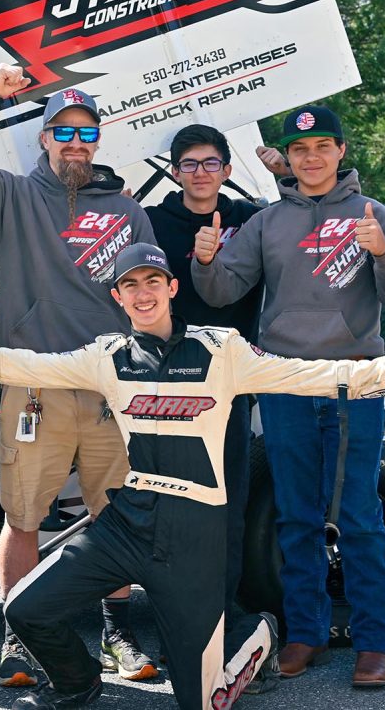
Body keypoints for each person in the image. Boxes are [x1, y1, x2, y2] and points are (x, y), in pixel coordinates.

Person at [0, 243, 385, 710]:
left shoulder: (223, 349)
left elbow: (307, 375)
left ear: (171, 287)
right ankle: (78, 689)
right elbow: (18, 362)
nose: (143, 293)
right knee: (25, 607)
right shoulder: (105, 356)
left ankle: (253, 634)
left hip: (194, 531)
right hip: (128, 519)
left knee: (196, 701)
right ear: (118, 297)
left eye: (152, 281)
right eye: (130, 286)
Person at [0, 63, 158, 685]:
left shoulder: (125, 211)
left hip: (110, 391)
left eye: (86, 134)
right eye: (63, 133)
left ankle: (118, 633)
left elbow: (150, 299)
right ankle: (20, 634)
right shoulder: (9, 197)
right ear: (43, 138)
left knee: (115, 516)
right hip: (34, 387)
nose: (75, 143)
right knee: (24, 517)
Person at [191, 104, 385, 688]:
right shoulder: (267, 221)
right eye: (300, 150)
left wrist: (383, 253)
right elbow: (221, 290)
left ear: (340, 151)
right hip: (283, 380)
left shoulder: (372, 213)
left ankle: (373, 643)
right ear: (286, 157)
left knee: (359, 514)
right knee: (296, 516)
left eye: (322, 147)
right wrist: (205, 260)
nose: (311, 158)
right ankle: (306, 633)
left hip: (352, 378)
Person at [143, 124, 263, 614]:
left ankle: (225, 613)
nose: (200, 173)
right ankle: (175, 616)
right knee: (172, 506)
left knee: (228, 505)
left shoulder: (250, 219)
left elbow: (306, 218)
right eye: (189, 164)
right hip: (166, 380)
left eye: (210, 163)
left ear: (227, 170)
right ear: (175, 172)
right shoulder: (151, 220)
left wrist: (283, 173)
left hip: (229, 381)